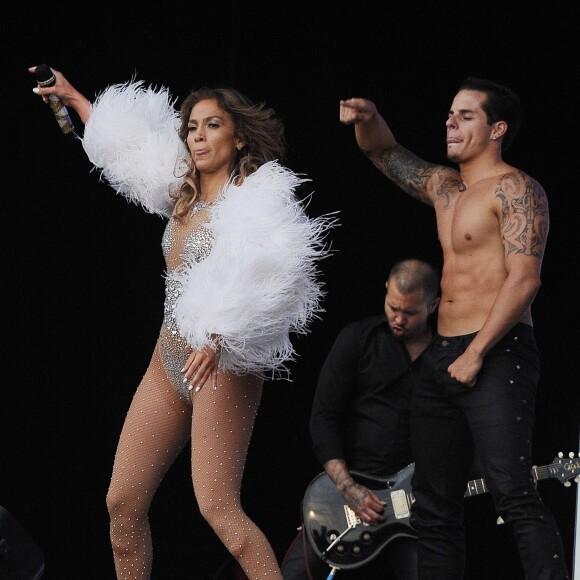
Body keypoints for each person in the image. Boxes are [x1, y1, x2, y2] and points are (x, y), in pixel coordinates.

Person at [29, 65, 336, 580]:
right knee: (121, 503)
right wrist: (74, 97)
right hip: (167, 361)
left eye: (212, 125)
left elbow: (265, 278)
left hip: (222, 369)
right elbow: (126, 155)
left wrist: (218, 334)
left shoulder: (257, 204)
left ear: (238, 137)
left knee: (220, 511)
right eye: (191, 126)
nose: (197, 136)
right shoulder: (183, 194)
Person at [339, 78, 569, 579]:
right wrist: (367, 116)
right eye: (450, 114)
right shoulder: (445, 187)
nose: (450, 121)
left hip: (498, 349)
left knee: (512, 488)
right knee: (433, 502)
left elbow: (525, 279)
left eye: (465, 116)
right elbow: (384, 153)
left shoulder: (517, 188)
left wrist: (477, 352)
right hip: (443, 354)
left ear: (497, 129)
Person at [281, 258, 440, 580]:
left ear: (433, 304)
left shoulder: (445, 356)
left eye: (409, 313)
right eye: (392, 306)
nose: (398, 318)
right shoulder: (358, 338)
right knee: (295, 574)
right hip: (345, 492)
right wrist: (348, 488)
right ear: (386, 290)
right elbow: (323, 416)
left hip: (412, 500)